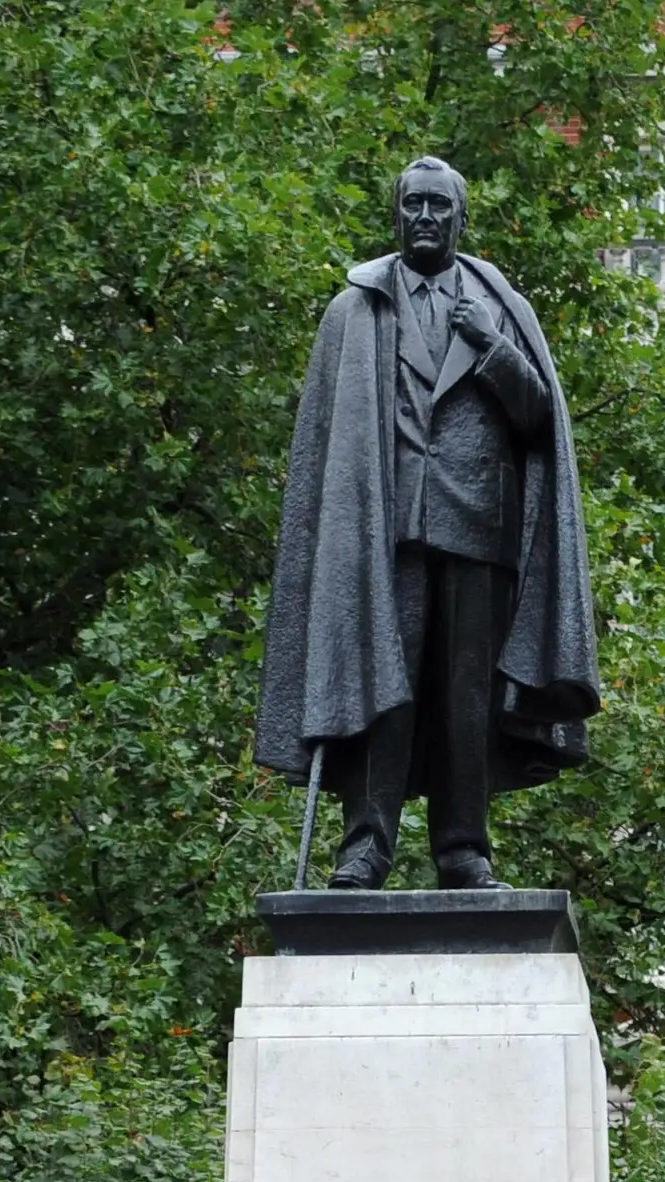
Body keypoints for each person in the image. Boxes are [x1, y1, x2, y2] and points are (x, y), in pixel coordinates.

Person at [254, 155, 598, 890]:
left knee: (467, 700)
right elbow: (325, 447)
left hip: (479, 529)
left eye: (440, 206)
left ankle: (464, 850)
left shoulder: (500, 306)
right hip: (384, 532)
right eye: (414, 205)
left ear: (461, 218)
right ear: (397, 214)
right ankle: (365, 846)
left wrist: (492, 347)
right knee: (381, 685)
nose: (426, 218)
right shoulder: (357, 309)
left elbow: (539, 419)